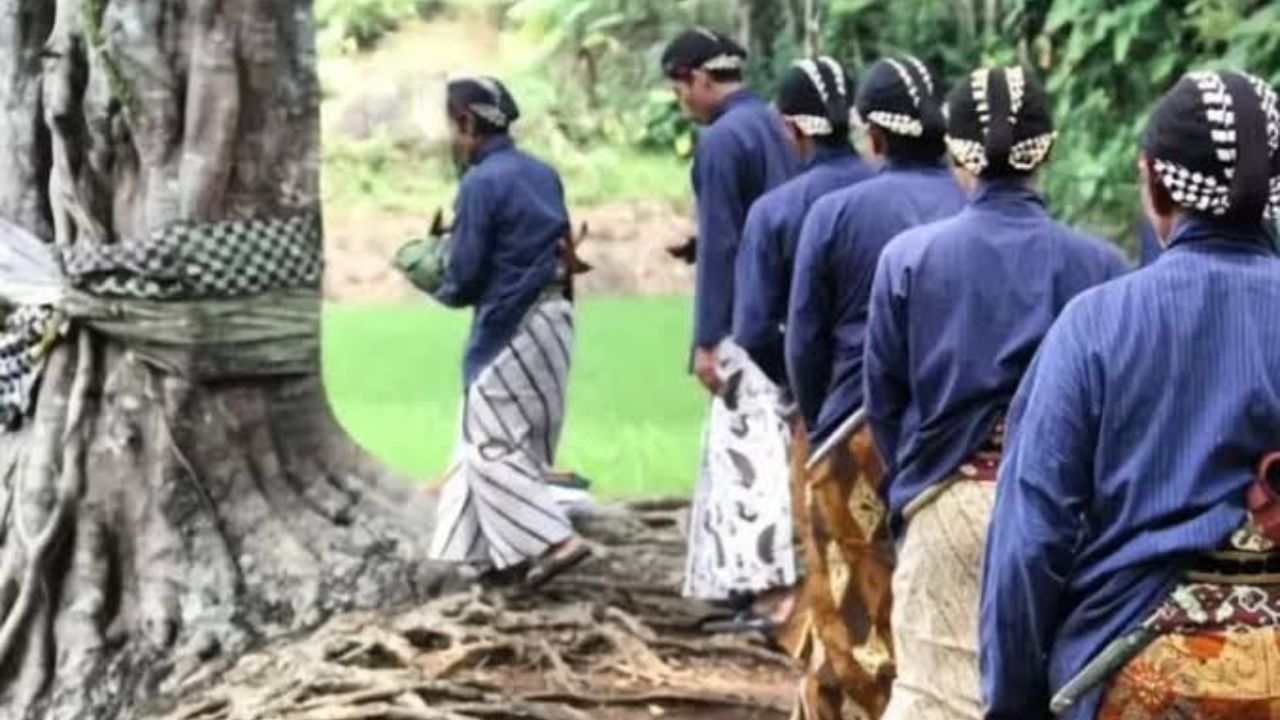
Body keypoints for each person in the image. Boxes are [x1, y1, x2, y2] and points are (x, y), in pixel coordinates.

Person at [981, 70, 1280, 720]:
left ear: (1155, 182)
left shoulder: (1097, 326)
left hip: (1136, 671)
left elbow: (1032, 540)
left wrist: (1012, 702)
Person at [864, 66, 1127, 720]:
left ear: (957, 153)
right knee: (1056, 694)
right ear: (1050, 149)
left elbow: (885, 405)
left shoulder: (909, 259)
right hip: (1068, 517)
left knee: (933, 695)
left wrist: (921, 482)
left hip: (948, 501)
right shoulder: (1101, 268)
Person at [781, 56, 966, 720]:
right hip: (958, 443)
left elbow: (803, 343)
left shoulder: (835, 213)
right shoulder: (969, 204)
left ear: (874, 137)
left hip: (853, 439)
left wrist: (818, 423)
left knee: (853, 612)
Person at [427, 76, 590, 590]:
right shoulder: (542, 173)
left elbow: (464, 278)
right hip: (555, 319)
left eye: (453, 127)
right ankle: (499, 562)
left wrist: (435, 270)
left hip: (509, 324)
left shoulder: (479, 183)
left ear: (467, 123)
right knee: (515, 443)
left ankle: (552, 540)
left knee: (489, 446)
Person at [659, 28, 799, 616]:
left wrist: (706, 340)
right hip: (792, 309)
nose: (681, 101)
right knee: (775, 446)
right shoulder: (780, 126)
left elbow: (724, 243)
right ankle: (755, 585)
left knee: (745, 452)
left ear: (697, 77)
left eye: (679, 88)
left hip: (746, 318)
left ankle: (767, 595)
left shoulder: (720, 140)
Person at [733, 56, 875, 389]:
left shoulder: (773, 212)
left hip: (825, 403)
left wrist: (801, 386)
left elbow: (754, 330)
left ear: (790, 126)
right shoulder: (895, 196)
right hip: (901, 402)